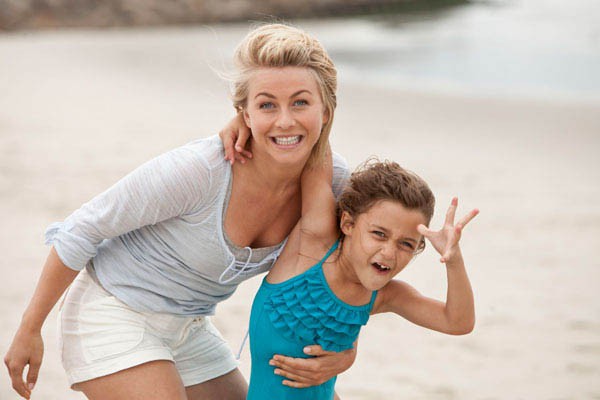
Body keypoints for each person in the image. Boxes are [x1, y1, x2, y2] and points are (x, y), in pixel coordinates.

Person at [3, 23, 356, 400]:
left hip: (189, 329)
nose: (284, 120)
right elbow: (84, 227)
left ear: (326, 109)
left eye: (300, 103)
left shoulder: (332, 184)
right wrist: (29, 329)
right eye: (267, 104)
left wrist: (346, 353)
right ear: (245, 113)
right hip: (112, 310)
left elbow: (354, 272)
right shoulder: (202, 170)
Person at [243, 150, 478, 399]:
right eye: (379, 234)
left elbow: (458, 322)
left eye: (406, 244)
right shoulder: (312, 246)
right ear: (348, 224)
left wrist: (453, 259)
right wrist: (239, 128)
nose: (389, 252)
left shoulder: (384, 295)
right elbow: (316, 143)